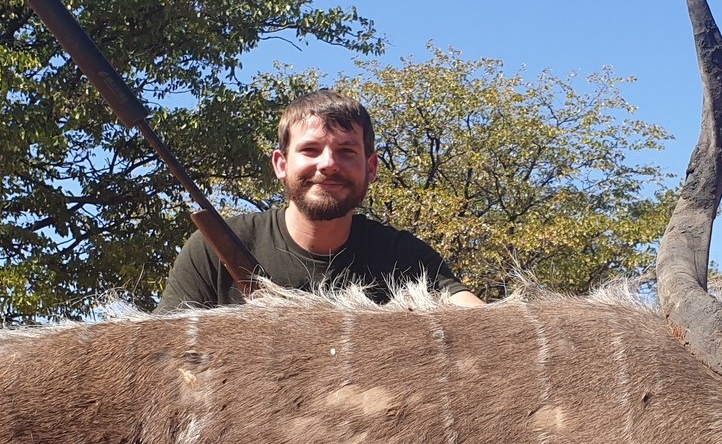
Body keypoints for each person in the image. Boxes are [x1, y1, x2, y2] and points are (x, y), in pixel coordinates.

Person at [155, 89, 487, 311]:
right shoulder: (213, 249)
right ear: (281, 165)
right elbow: (162, 355)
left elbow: (477, 317)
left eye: (346, 151)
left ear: (371, 168)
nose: (327, 164)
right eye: (310, 150)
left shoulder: (403, 257)